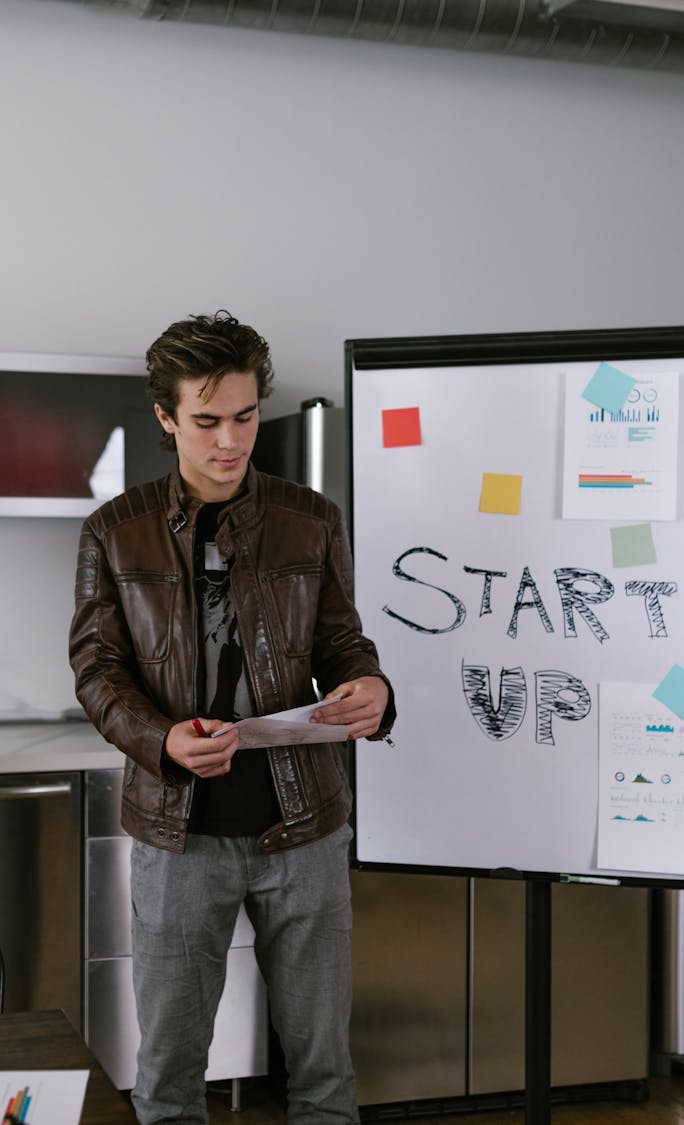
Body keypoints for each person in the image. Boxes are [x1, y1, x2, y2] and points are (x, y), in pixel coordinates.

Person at [69, 310, 395, 1125]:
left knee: (324, 1070)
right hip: (177, 835)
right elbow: (97, 670)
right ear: (166, 417)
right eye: (207, 420)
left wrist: (371, 687)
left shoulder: (311, 519)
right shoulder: (114, 530)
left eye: (244, 418)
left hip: (306, 826)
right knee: (170, 1075)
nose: (229, 441)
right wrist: (162, 740)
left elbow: (342, 641)